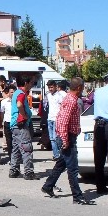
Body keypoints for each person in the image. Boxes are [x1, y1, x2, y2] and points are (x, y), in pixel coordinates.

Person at [41, 77, 95, 205]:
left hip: (69, 135)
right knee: (73, 168)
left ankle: (48, 186)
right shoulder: (71, 100)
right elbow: (62, 121)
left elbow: (67, 119)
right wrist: (65, 139)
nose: (83, 90)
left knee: (61, 164)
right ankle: (77, 196)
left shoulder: (71, 99)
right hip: (67, 137)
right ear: (79, 88)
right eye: (82, 88)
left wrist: (77, 128)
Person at [9, 76, 37, 180]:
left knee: (16, 148)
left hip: (15, 125)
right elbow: (20, 104)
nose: (31, 85)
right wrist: (25, 115)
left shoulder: (16, 92)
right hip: (21, 124)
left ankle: (14, 170)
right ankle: (28, 172)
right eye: (31, 83)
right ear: (26, 83)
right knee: (26, 148)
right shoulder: (21, 93)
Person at [46, 80, 66, 161]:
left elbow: (62, 106)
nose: (50, 89)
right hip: (50, 118)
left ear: (55, 87)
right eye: (49, 87)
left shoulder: (59, 96)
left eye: (51, 87)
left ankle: (59, 154)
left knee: (56, 138)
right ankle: (56, 155)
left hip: (56, 119)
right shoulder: (48, 95)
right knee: (51, 138)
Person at [0, 85, 15, 155]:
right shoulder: (4, 102)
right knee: (9, 140)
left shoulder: (18, 101)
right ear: (8, 93)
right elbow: (2, 112)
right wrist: (2, 122)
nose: (13, 93)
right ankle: (11, 156)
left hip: (16, 123)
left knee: (16, 141)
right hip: (7, 122)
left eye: (14, 92)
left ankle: (17, 156)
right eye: (11, 92)